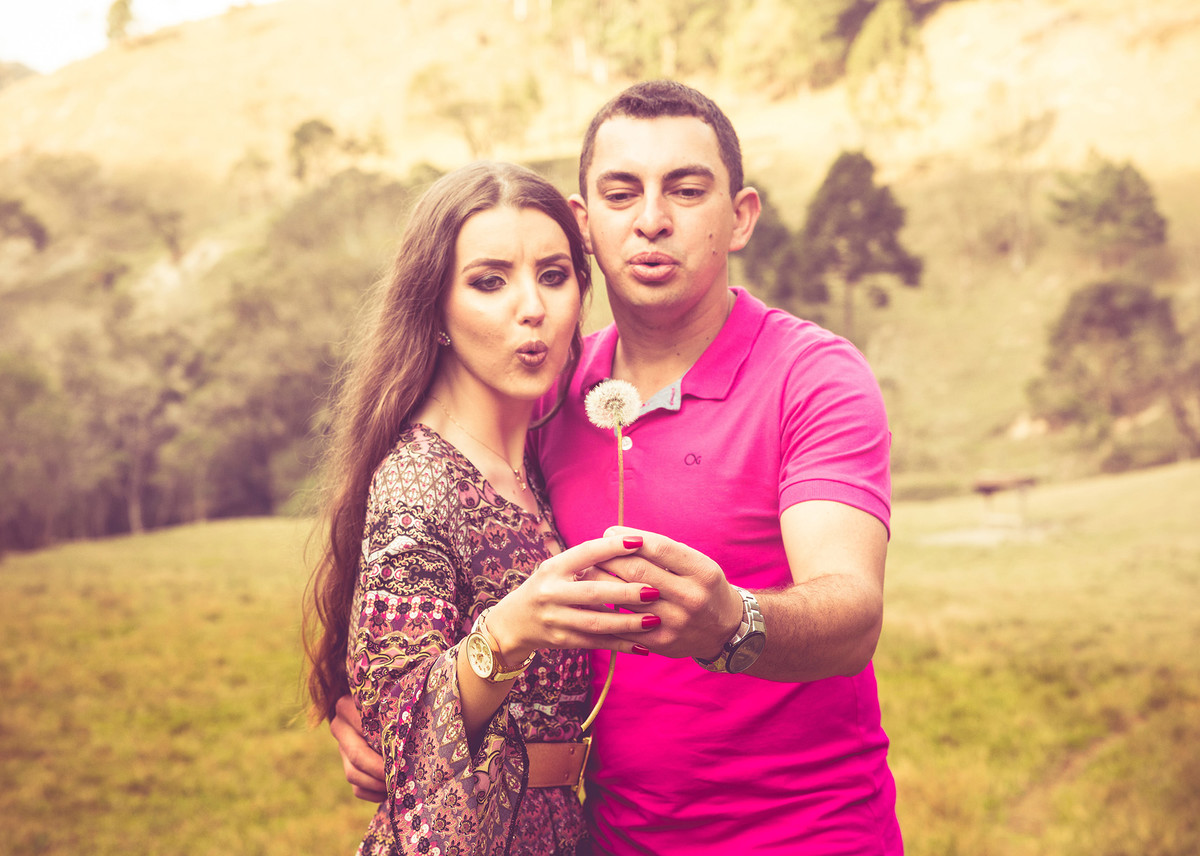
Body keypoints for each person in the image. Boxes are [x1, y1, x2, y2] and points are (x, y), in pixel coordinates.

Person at [331, 81, 902, 854]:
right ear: (584, 223)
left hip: (806, 835)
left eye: (687, 189)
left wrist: (734, 623)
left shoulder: (814, 377)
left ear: (740, 218)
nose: (652, 219)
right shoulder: (547, 391)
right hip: (606, 838)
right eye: (621, 191)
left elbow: (851, 613)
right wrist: (365, 705)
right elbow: (435, 550)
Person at [303, 160, 665, 856]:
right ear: (434, 308)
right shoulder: (420, 480)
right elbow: (398, 724)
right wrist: (507, 633)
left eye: (554, 277)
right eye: (489, 282)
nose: (531, 307)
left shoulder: (541, 458)